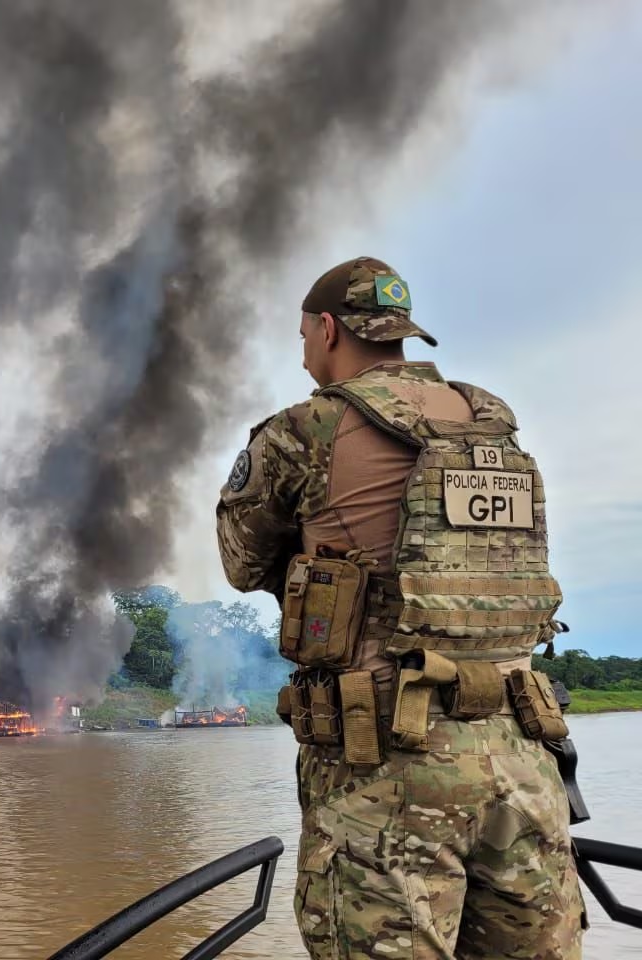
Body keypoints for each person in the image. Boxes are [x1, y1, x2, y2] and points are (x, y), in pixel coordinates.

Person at [215, 257, 587, 959]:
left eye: (303, 338)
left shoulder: (304, 430)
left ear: (328, 329)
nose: (303, 355)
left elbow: (243, 564)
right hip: (524, 764)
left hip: (386, 770)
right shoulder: (490, 428)